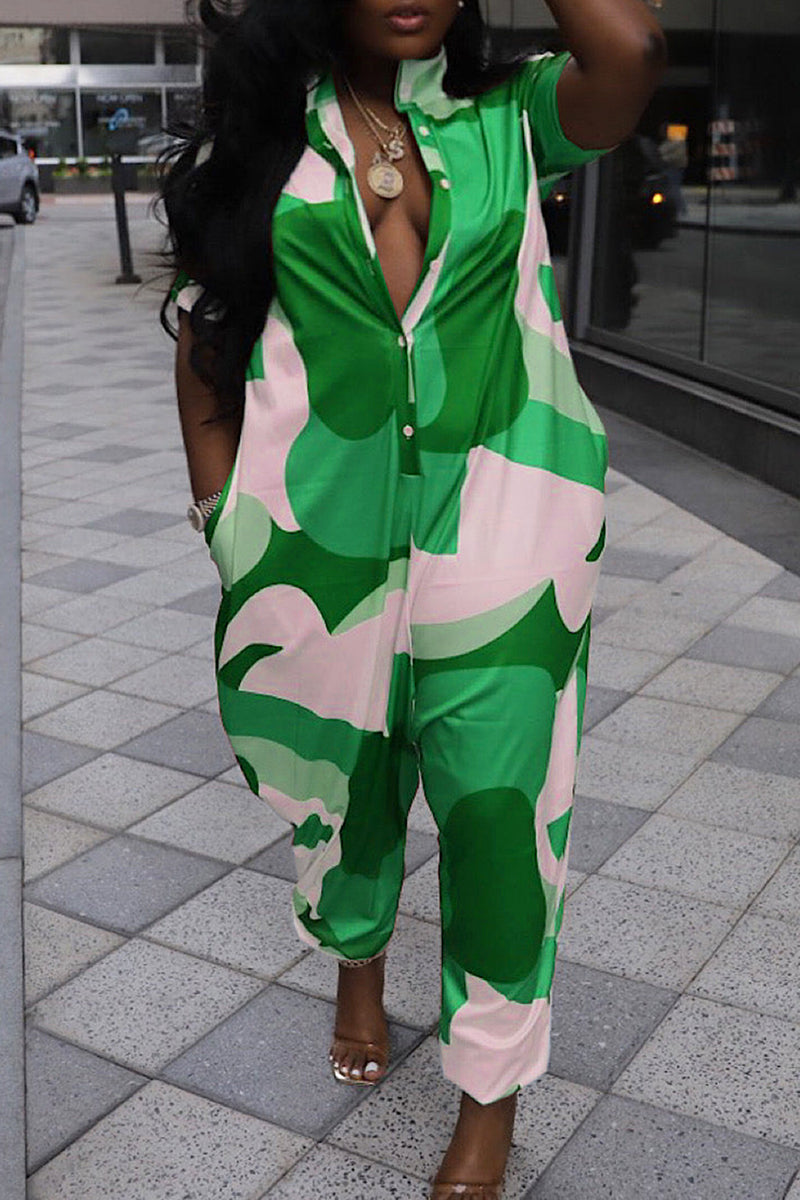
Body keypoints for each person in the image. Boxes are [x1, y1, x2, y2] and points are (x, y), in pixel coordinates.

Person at [159, 1, 666, 1195]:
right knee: (342, 789)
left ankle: (488, 1099)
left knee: (499, 816)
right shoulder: (269, 133)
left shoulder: (515, 115)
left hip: (504, 531)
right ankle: (358, 959)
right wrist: (221, 512)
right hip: (311, 542)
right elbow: (209, 331)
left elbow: (632, 52)